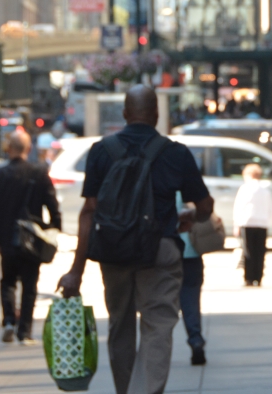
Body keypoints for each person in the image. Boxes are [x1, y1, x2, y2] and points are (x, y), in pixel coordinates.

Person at [57, 85, 214, 394]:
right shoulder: (175, 153)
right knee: (158, 326)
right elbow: (206, 207)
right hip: (161, 251)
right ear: (156, 115)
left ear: (125, 115)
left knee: (120, 326)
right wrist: (190, 217)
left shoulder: (102, 151)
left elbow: (88, 212)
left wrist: (76, 270)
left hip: (114, 254)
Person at [0, 130, 62, 344]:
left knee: (8, 281)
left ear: (8, 149)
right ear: (28, 149)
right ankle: (25, 331)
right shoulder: (39, 174)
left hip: (6, 238)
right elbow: (52, 205)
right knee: (30, 285)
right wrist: (54, 229)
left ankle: (9, 320)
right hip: (32, 238)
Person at [177, 193, 207, 366]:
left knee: (159, 307)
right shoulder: (186, 186)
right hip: (191, 253)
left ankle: (156, 345)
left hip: (165, 251)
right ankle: (195, 339)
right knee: (191, 301)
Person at [233, 163, 272, 286]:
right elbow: (270, 208)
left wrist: (236, 223)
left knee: (248, 251)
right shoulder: (265, 190)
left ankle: (248, 278)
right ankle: (258, 277)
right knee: (260, 251)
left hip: (247, 222)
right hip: (262, 223)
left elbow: (238, 206)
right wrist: (268, 221)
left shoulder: (244, 188)